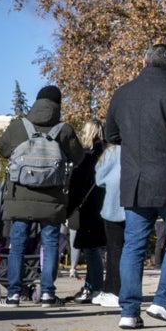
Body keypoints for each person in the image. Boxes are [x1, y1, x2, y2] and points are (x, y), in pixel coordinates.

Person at [105, 43, 166, 330]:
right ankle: (164, 300)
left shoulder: (122, 93)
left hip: (135, 179)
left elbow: (111, 133)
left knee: (134, 243)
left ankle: (129, 310)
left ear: (143, 61)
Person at [0, 85, 85, 305]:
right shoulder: (63, 130)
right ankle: (47, 293)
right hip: (52, 199)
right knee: (51, 244)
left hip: (20, 197)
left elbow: (2, 150)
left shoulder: (19, 126)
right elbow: (79, 157)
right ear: (58, 105)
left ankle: (14, 293)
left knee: (17, 244)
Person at [68, 119, 107, 303]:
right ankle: (92, 285)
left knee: (91, 250)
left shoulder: (86, 158)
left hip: (89, 207)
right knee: (95, 249)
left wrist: (69, 208)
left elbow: (75, 186)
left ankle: (95, 286)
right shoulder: (107, 155)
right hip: (105, 204)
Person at [92, 143, 125, 307]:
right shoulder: (140, 146)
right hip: (137, 205)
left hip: (114, 204)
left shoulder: (111, 152)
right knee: (133, 249)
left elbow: (99, 179)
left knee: (114, 249)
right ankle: (121, 289)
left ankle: (114, 290)